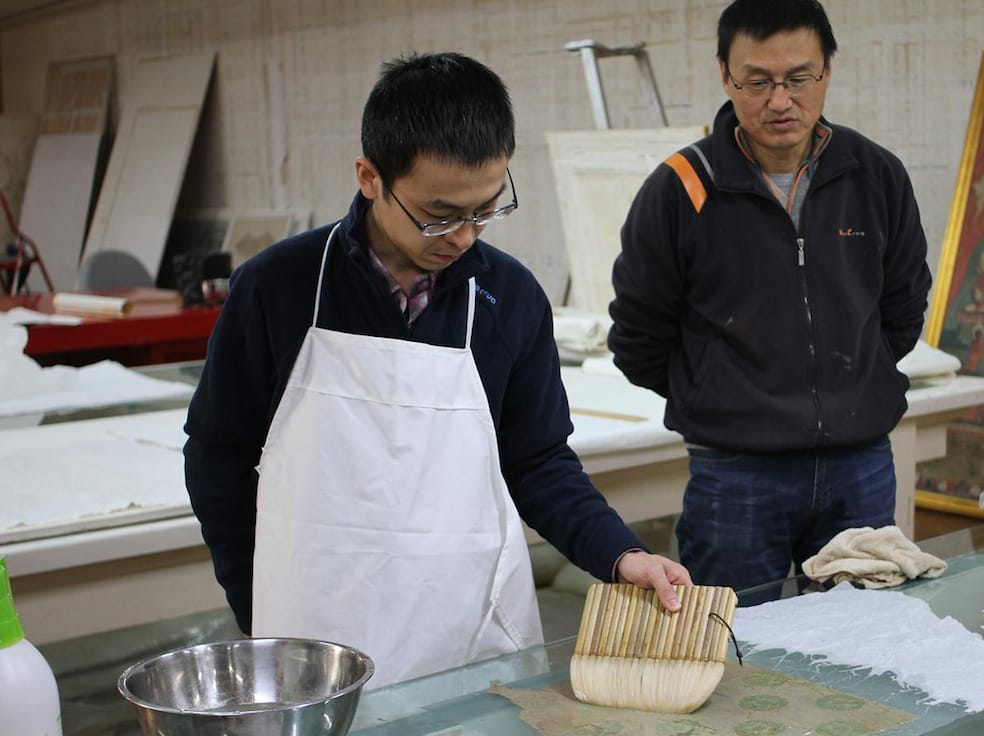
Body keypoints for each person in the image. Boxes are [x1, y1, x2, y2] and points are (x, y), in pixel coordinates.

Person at [184, 52, 690, 689]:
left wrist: (621, 553)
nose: (463, 237)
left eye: (486, 209)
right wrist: (257, 606)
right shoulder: (279, 287)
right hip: (316, 632)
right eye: (440, 214)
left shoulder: (510, 298)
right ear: (370, 178)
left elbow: (538, 461)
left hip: (470, 630)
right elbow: (218, 457)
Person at [608, 0, 933, 598]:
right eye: (757, 81)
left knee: (861, 640)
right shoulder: (681, 188)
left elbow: (904, 304)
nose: (780, 100)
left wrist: (855, 385)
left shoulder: (875, 175)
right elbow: (637, 335)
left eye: (798, 78)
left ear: (827, 71)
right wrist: (718, 395)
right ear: (725, 77)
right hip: (736, 473)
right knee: (736, 639)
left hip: (859, 466)